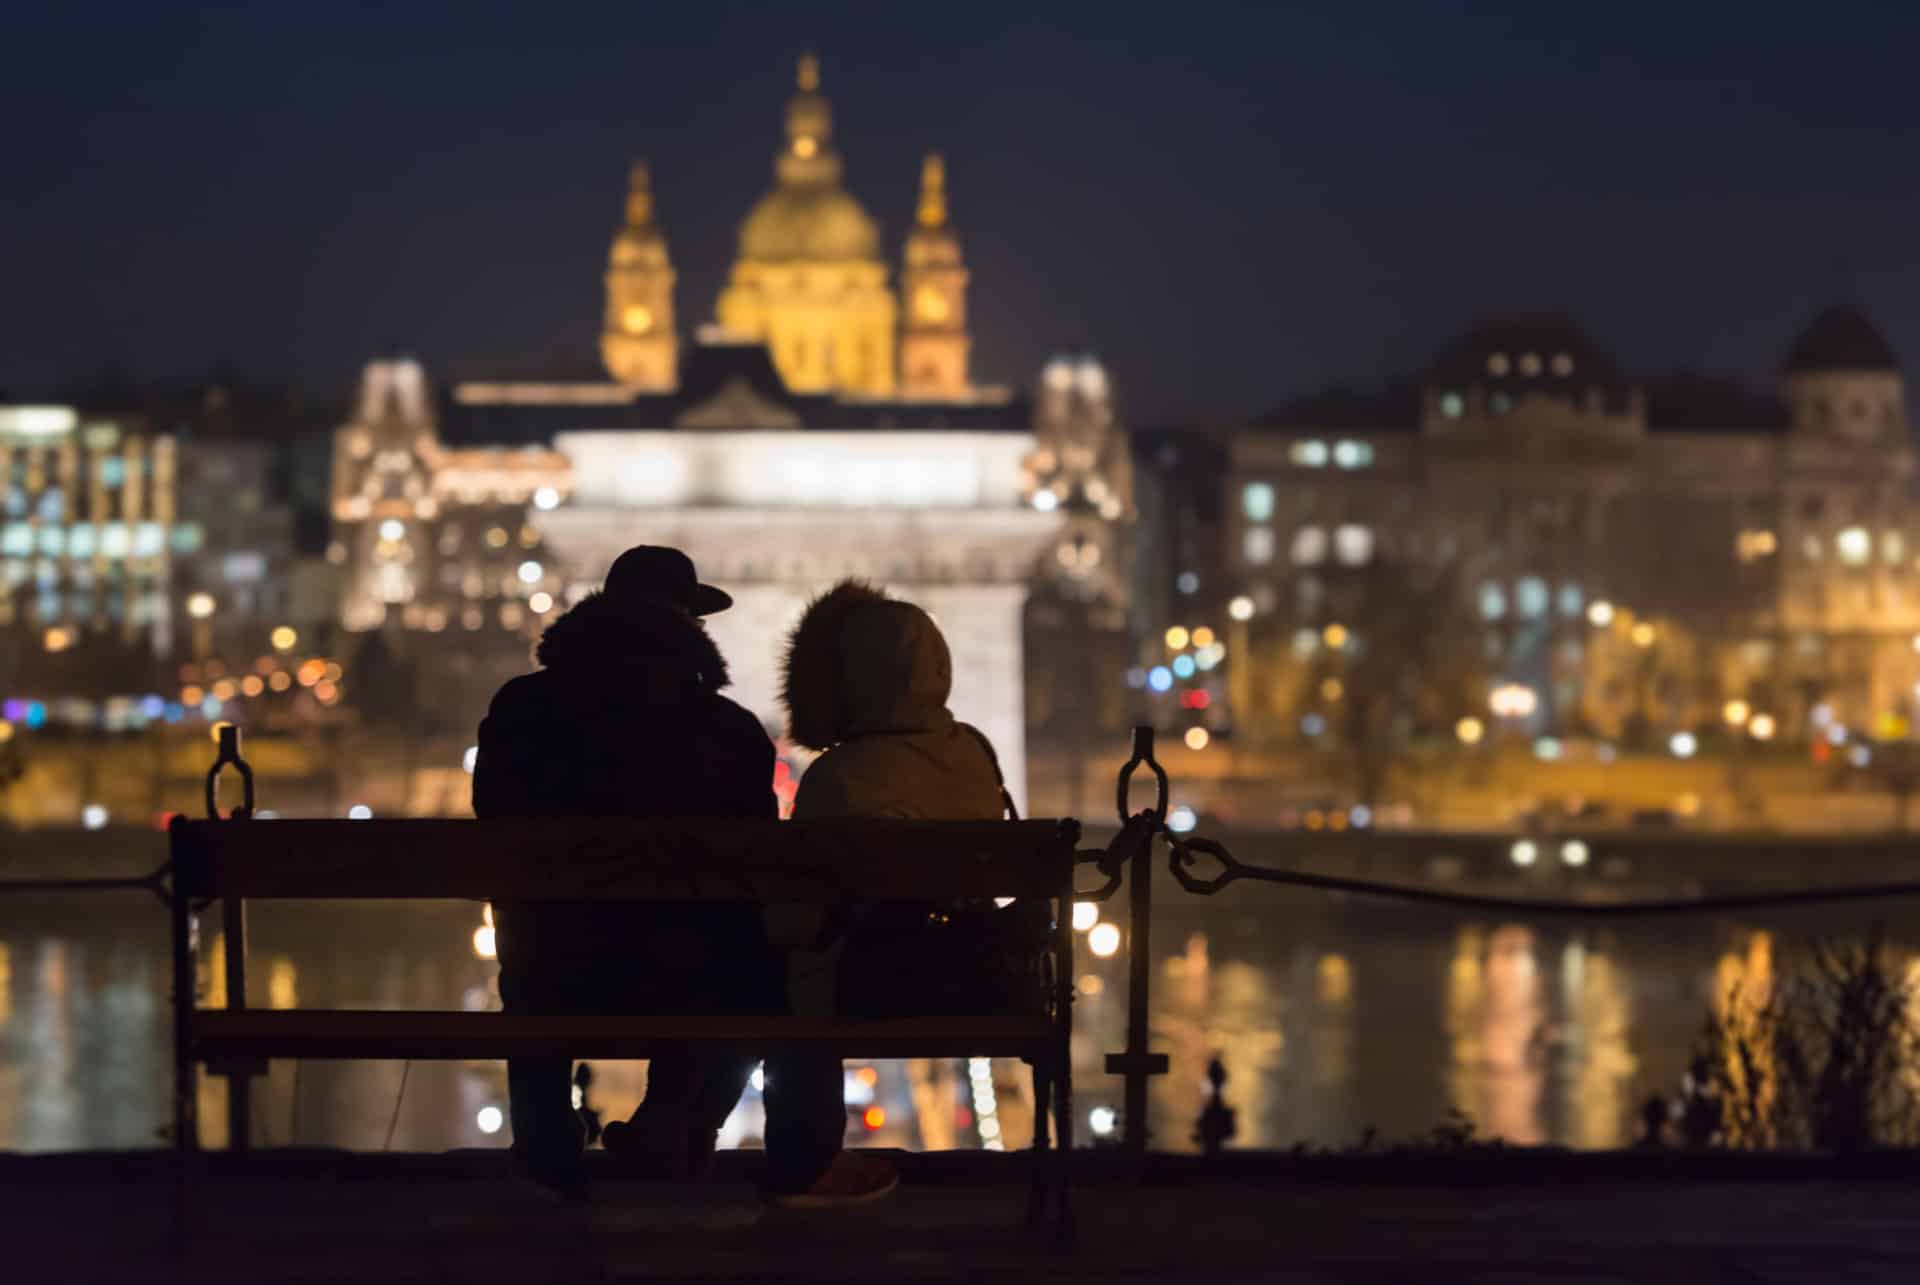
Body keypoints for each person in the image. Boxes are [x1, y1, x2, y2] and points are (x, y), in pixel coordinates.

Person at [472, 545, 778, 1197]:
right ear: (689, 629)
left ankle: (546, 1141)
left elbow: (492, 822)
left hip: (552, 970)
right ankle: (671, 1122)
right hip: (687, 976)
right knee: (754, 971)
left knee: (531, 944)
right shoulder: (730, 732)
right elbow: (761, 860)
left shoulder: (521, 711)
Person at [762, 578, 1009, 1206]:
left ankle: (807, 1162)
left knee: (785, 979)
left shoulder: (836, 778)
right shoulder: (976, 756)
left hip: (862, 984)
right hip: (970, 978)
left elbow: (801, 907)